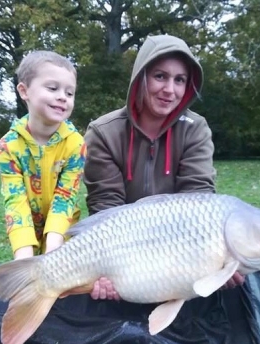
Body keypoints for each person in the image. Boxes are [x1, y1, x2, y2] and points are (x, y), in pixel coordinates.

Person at [83, 34, 244, 300]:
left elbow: (198, 201)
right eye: (160, 76)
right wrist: (112, 268)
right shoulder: (103, 132)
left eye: (179, 80)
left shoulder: (196, 129)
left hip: (181, 248)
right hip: (122, 248)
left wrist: (216, 266)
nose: (170, 89)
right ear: (140, 79)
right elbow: (105, 208)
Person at [0, 50, 86, 260]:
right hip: (26, 232)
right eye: (53, 88)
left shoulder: (76, 144)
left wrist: (52, 254)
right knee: (27, 280)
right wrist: (24, 259)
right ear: (24, 91)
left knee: (60, 283)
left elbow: (65, 198)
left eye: (70, 93)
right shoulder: (7, 147)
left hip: (63, 234)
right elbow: (15, 203)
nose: (62, 97)